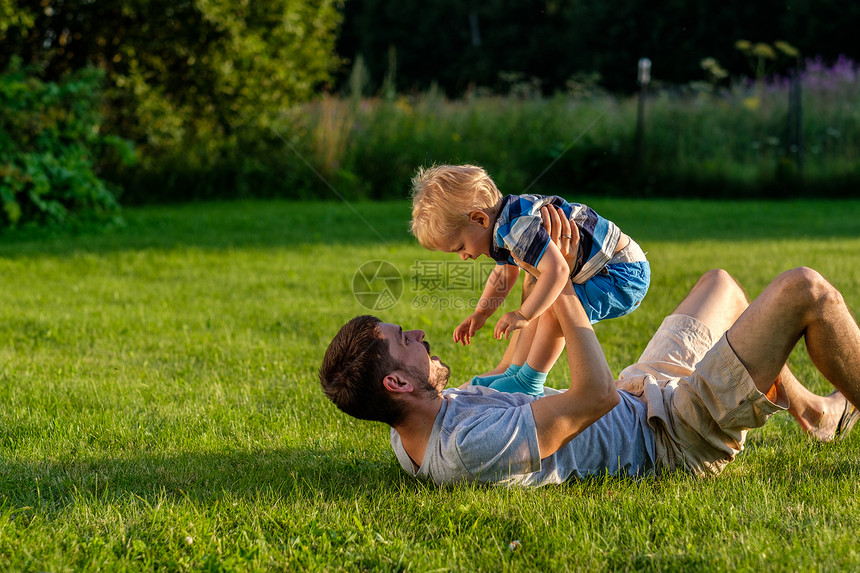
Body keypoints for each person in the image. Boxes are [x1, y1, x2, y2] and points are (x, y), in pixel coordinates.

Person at [319, 207, 860, 486]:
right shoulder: (466, 447)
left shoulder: (414, 424)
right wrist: (569, 283)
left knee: (721, 285)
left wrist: (540, 279)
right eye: (401, 341)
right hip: (672, 436)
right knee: (804, 290)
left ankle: (813, 413)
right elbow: (595, 396)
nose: (416, 334)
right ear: (395, 382)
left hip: (644, 392)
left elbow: (520, 373)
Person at [410, 164, 650, 396]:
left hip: (620, 273)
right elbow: (505, 273)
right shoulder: (503, 225)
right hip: (606, 269)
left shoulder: (518, 228)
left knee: (549, 303)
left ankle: (529, 381)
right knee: (541, 296)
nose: (463, 257)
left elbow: (557, 271)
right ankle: (515, 372)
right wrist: (481, 313)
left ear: (480, 219)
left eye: (460, 247)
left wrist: (523, 315)